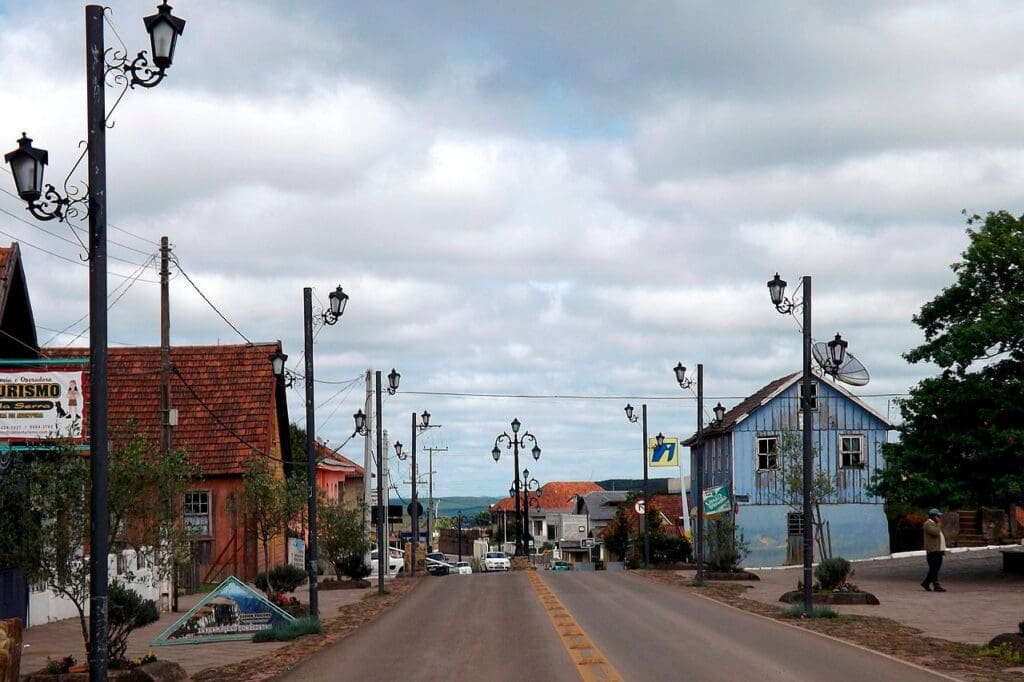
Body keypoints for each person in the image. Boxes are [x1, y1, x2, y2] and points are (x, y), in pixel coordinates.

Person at [921, 508, 947, 592]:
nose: (939, 517)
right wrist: (939, 524)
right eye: (937, 516)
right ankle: (936, 585)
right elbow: (935, 533)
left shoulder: (933, 524)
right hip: (933, 551)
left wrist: (942, 550)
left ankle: (926, 583)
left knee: (934, 569)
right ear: (933, 516)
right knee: (934, 569)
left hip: (937, 550)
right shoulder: (928, 523)